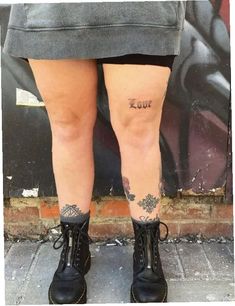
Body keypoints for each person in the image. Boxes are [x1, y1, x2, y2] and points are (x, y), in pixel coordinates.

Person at [3, 1, 187, 304]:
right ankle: (75, 247)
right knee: (68, 127)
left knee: (139, 130)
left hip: (141, 11)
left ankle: (147, 251)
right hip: (53, 11)